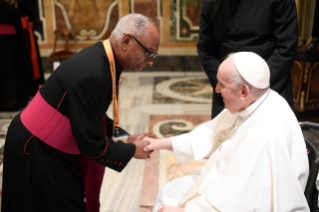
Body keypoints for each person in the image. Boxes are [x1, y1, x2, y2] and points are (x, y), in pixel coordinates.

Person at [2, 13, 159, 212]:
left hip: (51, 148)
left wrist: (124, 137)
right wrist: (131, 151)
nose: (150, 61)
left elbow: (91, 114)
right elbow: (91, 143)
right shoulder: (95, 72)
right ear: (127, 41)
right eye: (149, 53)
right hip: (36, 147)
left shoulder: (105, 60)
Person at [144, 52, 309, 212]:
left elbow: (243, 202)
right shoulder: (255, 101)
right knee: (169, 191)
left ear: (243, 91)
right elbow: (211, 134)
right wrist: (160, 143)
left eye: (222, 84)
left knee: (167, 203)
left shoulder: (266, 133)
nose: (216, 89)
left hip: (238, 201)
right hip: (224, 187)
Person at [197, 0, 298, 119]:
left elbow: (286, 48)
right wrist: (228, 86)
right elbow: (206, 51)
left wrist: (257, 89)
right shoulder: (211, 2)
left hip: (271, 89)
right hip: (227, 97)